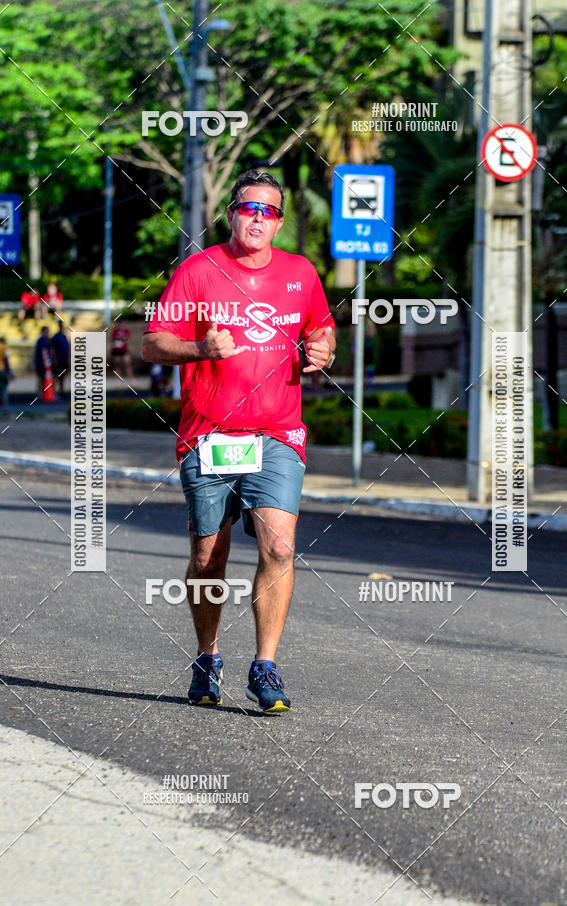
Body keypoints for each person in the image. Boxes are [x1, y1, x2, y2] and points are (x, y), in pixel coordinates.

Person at [142, 169, 336, 714]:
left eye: (269, 211)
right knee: (209, 555)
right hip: (208, 433)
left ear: (278, 222)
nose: (257, 218)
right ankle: (208, 656)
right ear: (231, 213)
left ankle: (265, 666)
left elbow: (320, 329)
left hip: (277, 433)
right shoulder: (198, 271)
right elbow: (153, 344)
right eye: (248, 208)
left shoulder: (300, 274)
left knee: (278, 546)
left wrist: (322, 350)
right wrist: (200, 348)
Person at [50, 321, 70, 398]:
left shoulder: (64, 337)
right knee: (56, 377)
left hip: (64, 360)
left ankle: (62, 392)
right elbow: (53, 349)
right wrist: (54, 359)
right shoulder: (56, 337)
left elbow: (67, 349)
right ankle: (54, 392)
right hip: (58, 361)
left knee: (63, 377)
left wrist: (68, 359)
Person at [34, 326, 52, 397]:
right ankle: (40, 394)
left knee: (41, 379)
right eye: (47, 331)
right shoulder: (43, 340)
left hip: (39, 362)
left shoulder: (41, 340)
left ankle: (41, 394)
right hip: (41, 363)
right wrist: (46, 362)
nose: (48, 333)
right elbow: (43, 351)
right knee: (41, 379)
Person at [0, 336, 13, 415]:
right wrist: (8, 372)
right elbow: (6, 360)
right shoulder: (4, 347)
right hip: (1, 370)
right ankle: (6, 409)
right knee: (4, 390)